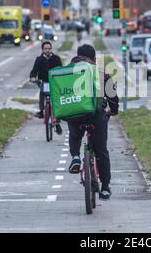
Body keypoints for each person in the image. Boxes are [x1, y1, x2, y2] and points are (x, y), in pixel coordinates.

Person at [67, 44, 119, 200]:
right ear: (94, 58)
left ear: (77, 56)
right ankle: (105, 188)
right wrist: (114, 110)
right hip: (96, 116)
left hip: (75, 116)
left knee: (75, 135)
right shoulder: (100, 72)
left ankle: (75, 156)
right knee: (101, 151)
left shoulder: (68, 71)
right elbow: (112, 95)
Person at [30, 41, 63, 135]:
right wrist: (32, 77)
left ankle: (57, 119)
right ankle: (41, 111)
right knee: (41, 97)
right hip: (43, 82)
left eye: (49, 48)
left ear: (51, 49)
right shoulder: (39, 59)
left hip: (54, 83)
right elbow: (34, 70)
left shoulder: (56, 58)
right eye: (45, 49)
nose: (47, 50)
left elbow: (61, 69)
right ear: (42, 50)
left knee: (57, 100)